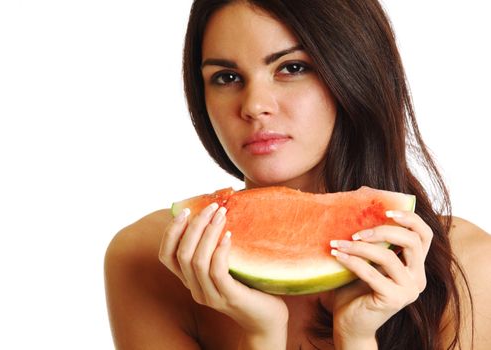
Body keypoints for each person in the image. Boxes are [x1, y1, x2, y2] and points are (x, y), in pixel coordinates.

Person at [104, 0, 491, 348]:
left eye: (292, 68)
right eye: (225, 77)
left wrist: (356, 338)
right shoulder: (148, 261)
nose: (254, 106)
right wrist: (262, 334)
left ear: (353, 75)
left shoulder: (468, 267)